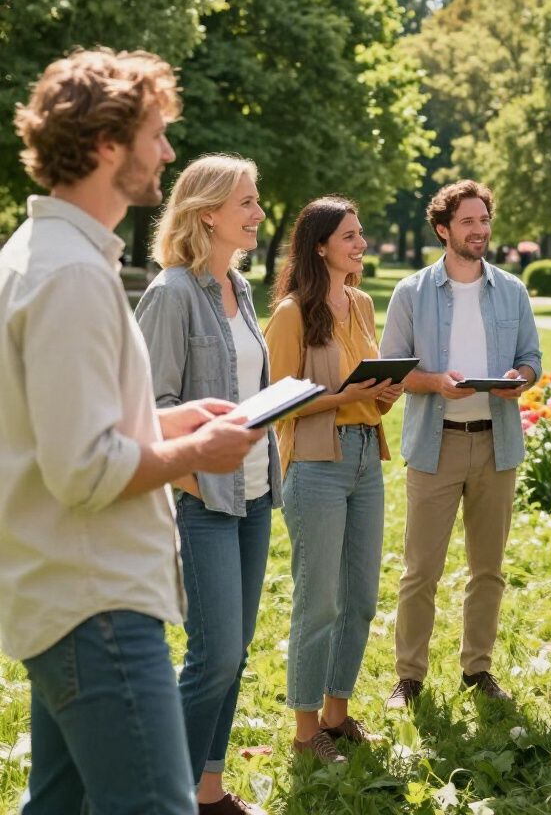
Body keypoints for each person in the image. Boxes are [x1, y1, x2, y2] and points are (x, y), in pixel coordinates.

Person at [0, 48, 263, 814]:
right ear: (110, 145)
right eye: (156, 134)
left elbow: (59, 428)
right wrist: (196, 450)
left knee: (56, 805)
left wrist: (168, 421)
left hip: (63, 594)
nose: (168, 153)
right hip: (99, 606)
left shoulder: (39, 256)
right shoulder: (73, 274)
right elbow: (84, 468)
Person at [135, 155, 283, 815]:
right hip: (204, 502)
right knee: (214, 656)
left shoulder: (241, 289)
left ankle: (207, 790)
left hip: (253, 496)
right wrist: (194, 483)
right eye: (246, 203)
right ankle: (161, 793)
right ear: (207, 213)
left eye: (256, 202)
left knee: (237, 652)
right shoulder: (170, 293)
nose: (257, 214)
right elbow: (148, 406)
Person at [379, 180, 541, 707]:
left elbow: (533, 360)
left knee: (487, 569)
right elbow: (394, 373)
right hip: (436, 444)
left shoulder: (512, 291)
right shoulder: (412, 293)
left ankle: (477, 670)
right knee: (421, 569)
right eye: (467, 221)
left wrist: (521, 374)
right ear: (444, 229)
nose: (479, 230)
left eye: (484, 220)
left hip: (495, 443)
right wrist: (434, 383)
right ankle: (409, 676)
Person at [264, 196, 403, 760]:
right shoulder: (292, 313)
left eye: (361, 234)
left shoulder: (363, 304)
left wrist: (382, 395)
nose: (361, 244)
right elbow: (273, 402)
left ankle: (337, 714)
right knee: (317, 601)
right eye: (350, 236)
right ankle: (304, 732)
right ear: (320, 245)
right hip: (318, 464)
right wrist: (347, 396)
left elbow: (367, 393)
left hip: (368, 456)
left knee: (361, 598)